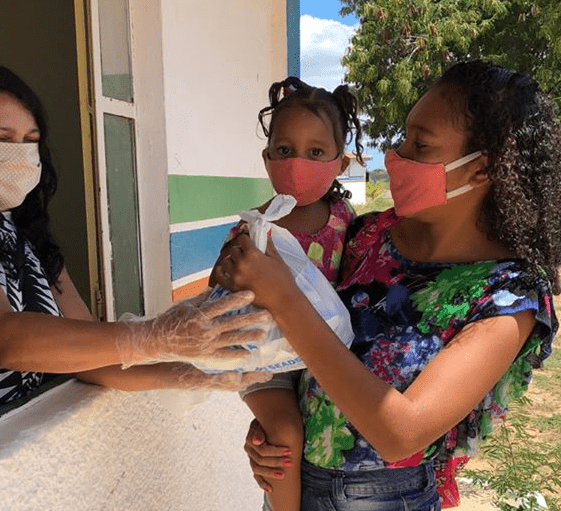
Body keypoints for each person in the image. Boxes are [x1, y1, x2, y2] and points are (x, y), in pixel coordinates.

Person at [0, 58, 270, 464]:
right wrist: (153, 336)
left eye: (30, 140)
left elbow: (94, 360)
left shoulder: (20, 231)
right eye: (0, 139)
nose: (19, 154)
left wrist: (193, 373)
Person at [216, 60, 560, 509]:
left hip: (385, 498)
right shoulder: (368, 235)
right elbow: (304, 353)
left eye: (421, 145)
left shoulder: (507, 295)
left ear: (481, 169)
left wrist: (284, 297)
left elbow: (400, 433)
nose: (397, 157)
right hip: (298, 485)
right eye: (403, 139)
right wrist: (277, 425)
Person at [208, 77, 362, 511]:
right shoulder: (253, 227)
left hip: (325, 354)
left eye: (315, 153)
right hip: (267, 360)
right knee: (284, 435)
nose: (297, 163)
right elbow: (219, 295)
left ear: (340, 163)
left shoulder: (346, 220)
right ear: (267, 158)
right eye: (284, 150)